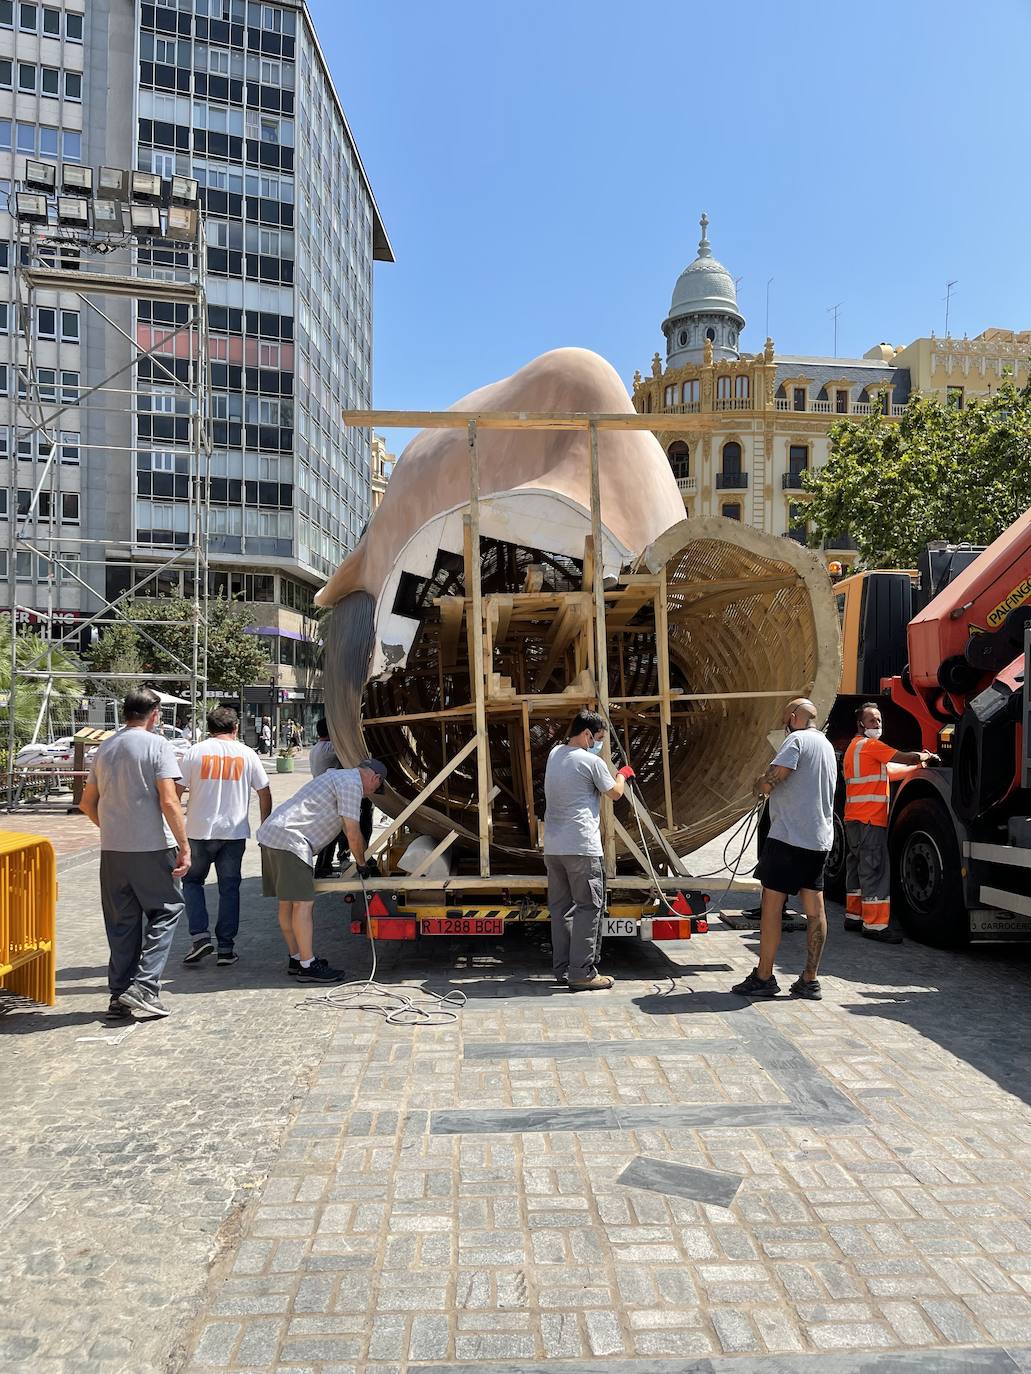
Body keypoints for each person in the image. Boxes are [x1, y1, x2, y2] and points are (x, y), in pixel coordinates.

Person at [79, 687, 190, 1020]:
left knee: (122, 922)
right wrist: (185, 846)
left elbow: (86, 803)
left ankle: (119, 995)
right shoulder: (158, 745)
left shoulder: (106, 747)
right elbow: (169, 801)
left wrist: (111, 827)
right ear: (154, 714)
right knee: (168, 909)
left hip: (113, 848)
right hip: (153, 845)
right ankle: (144, 986)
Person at [732, 698, 836, 1001]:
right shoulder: (827, 746)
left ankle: (763, 976)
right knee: (816, 912)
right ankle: (809, 980)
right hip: (818, 841)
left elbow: (773, 781)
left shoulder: (796, 739)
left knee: (772, 909)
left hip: (788, 839)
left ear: (793, 717)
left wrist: (759, 782)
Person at [257, 756, 388, 982]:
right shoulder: (352, 784)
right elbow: (352, 831)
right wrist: (363, 864)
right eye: (377, 787)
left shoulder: (337, 776)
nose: (372, 793)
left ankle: (296, 958)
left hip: (274, 834)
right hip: (291, 841)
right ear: (374, 777)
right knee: (303, 904)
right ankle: (308, 966)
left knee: (288, 904)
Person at [543, 710, 634, 992]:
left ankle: (563, 970)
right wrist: (622, 774)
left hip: (554, 848)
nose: (599, 744)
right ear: (586, 735)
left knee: (561, 910)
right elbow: (615, 793)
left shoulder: (554, 754)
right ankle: (582, 973)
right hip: (581, 848)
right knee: (588, 907)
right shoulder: (591, 761)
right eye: (598, 739)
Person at [177, 706, 273, 967]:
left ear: (209, 728)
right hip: (233, 832)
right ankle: (226, 949)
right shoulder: (246, 754)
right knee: (229, 889)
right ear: (236, 727)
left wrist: (174, 830)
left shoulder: (194, 752)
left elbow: (175, 792)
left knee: (192, 882)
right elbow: (264, 792)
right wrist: (265, 827)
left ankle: (199, 936)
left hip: (198, 830)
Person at [844, 702, 938, 944]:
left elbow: (889, 771)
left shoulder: (854, 748)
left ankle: (854, 916)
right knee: (875, 870)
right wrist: (927, 757)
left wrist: (918, 767)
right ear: (860, 724)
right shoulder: (872, 745)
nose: (878, 724)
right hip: (870, 819)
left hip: (853, 819)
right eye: (872, 720)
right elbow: (905, 757)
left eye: (879, 720)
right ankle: (875, 926)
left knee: (856, 868)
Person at [310, 717, 347, 878]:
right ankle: (322, 869)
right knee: (330, 835)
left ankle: (325, 866)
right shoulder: (331, 748)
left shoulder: (316, 748)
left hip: (321, 795)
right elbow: (348, 747)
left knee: (329, 834)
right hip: (330, 797)